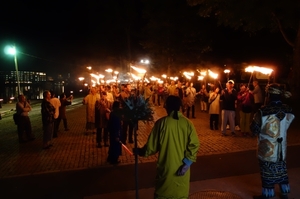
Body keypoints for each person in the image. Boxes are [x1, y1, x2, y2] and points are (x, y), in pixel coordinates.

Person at [134, 95, 200, 199]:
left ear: (167, 107)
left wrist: (140, 151)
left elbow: (151, 147)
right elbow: (195, 144)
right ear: (179, 107)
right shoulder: (188, 124)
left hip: (166, 172)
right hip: (182, 174)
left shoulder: (161, 124)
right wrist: (187, 163)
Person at [250, 83, 294, 199]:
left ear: (268, 95)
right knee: (281, 168)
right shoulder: (288, 109)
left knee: (267, 170)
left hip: (267, 147)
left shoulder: (263, 111)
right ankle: (284, 192)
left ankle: (268, 194)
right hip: (281, 148)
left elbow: (254, 129)